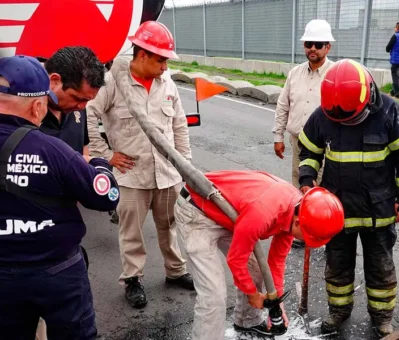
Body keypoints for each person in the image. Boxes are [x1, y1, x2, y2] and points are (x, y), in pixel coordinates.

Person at [0, 55, 119, 339]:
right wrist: (100, 165)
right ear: (38, 105)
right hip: (56, 273)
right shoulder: (52, 150)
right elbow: (107, 195)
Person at [86, 20, 194, 309]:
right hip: (131, 175)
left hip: (168, 173)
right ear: (142, 55)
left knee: (168, 225)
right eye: (161, 60)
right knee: (130, 231)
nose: (165, 67)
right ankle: (132, 279)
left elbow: (179, 125)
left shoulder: (167, 83)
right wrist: (105, 155)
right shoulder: (112, 82)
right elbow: (88, 113)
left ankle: (176, 271)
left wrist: (186, 165)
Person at [174, 170, 344, 340]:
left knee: (255, 271)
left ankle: (248, 322)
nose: (307, 243)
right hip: (196, 211)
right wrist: (252, 294)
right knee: (213, 295)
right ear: (299, 223)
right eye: (308, 237)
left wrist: (278, 305)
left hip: (230, 215)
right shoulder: (264, 213)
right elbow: (236, 260)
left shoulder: (298, 210)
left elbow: (276, 263)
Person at [298, 59, 399, 337]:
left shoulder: (391, 112)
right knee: (337, 267)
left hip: (379, 210)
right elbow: (308, 151)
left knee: (380, 268)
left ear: (368, 96)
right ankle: (338, 312)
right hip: (336, 211)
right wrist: (307, 181)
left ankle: (382, 318)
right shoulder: (323, 114)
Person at [272, 19, 335, 247]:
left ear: (328, 47)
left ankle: (326, 231)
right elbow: (283, 105)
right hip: (298, 141)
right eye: (309, 43)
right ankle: (304, 228)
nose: (313, 49)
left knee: (325, 188)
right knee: (302, 184)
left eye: (319, 44)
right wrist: (278, 136)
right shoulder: (295, 74)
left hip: (328, 144)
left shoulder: (335, 74)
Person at [386, 22, 399, 98]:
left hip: (396, 61)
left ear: (397, 28)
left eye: (395, 27)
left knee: (395, 76)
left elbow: (387, 48)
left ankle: (397, 92)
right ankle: (393, 91)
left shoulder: (395, 36)